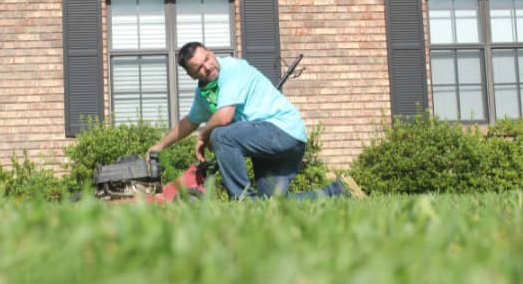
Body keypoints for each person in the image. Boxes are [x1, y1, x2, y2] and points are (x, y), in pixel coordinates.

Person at [147, 41, 365, 200]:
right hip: (271, 146)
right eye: (199, 68)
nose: (208, 66)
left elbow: (224, 117)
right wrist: (159, 146)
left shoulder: (233, 69)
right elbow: (190, 121)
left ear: (211, 53)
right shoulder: (205, 92)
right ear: (192, 75)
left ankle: (242, 201)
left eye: (207, 59)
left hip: (283, 131)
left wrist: (204, 135)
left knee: (221, 135)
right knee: (270, 205)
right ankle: (339, 191)